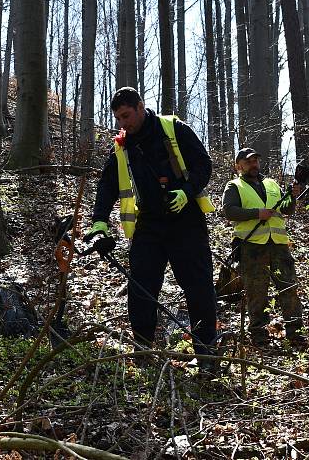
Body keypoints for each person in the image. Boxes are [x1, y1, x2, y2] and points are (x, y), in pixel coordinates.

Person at [85, 87, 217, 366]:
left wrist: (186, 191)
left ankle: (206, 353)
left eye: (127, 116)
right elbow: (107, 186)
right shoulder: (123, 145)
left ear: (141, 106)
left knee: (199, 287)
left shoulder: (174, 128)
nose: (123, 123)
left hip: (186, 221)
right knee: (141, 288)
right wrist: (99, 223)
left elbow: (203, 164)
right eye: (118, 118)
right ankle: (143, 349)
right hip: (148, 225)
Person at [222, 148, 305, 347]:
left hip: (279, 245)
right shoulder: (234, 186)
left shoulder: (271, 184)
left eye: (256, 161)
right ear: (238, 165)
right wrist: (257, 213)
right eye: (249, 161)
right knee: (256, 292)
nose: (254, 165)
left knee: (289, 287)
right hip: (252, 247)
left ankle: (295, 333)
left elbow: (286, 209)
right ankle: (258, 335)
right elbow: (229, 211)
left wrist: (292, 196)